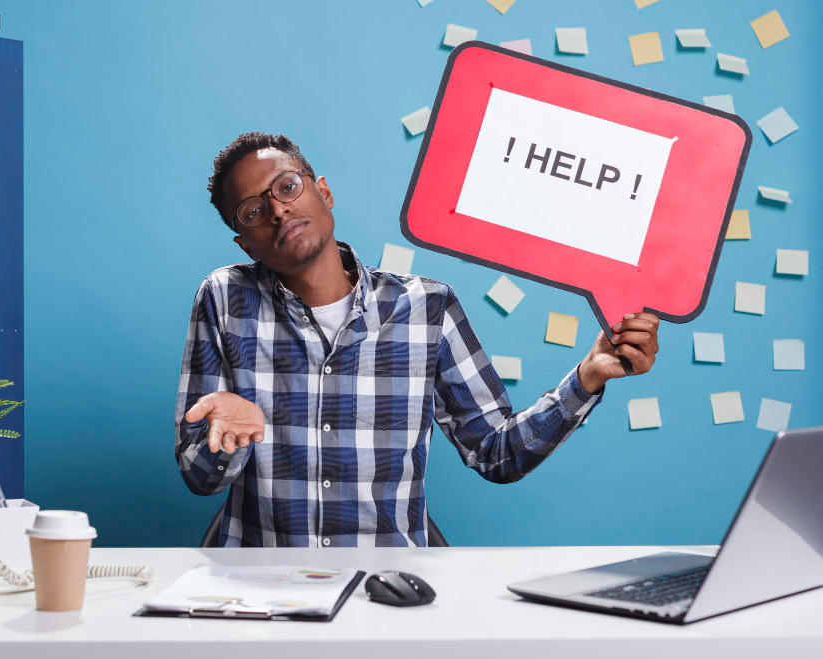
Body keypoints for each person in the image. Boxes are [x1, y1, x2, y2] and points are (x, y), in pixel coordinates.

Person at [175, 132, 660, 547]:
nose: (279, 211)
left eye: (288, 187)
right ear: (246, 243)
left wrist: (588, 377)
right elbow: (199, 477)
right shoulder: (225, 300)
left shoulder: (428, 308)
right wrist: (231, 438)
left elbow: (497, 453)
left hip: (386, 596)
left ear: (322, 191)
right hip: (263, 598)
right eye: (254, 211)